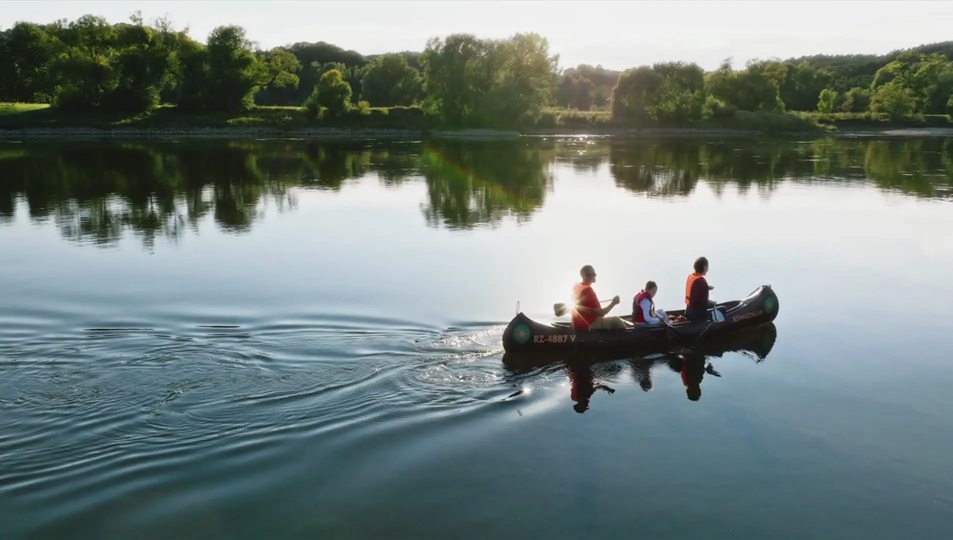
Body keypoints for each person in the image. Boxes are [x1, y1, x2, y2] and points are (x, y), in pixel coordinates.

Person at [572, 265, 626, 330]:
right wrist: (613, 303)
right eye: (593, 274)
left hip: (578, 326)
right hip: (590, 325)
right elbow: (602, 313)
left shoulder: (577, 288)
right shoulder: (588, 291)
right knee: (617, 321)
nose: (595, 275)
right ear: (587, 276)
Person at [684, 256, 717, 321]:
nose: (707, 270)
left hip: (688, 311)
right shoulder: (702, 282)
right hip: (697, 315)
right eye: (707, 267)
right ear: (704, 267)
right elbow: (704, 303)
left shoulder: (691, 276)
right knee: (723, 309)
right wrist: (713, 303)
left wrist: (706, 288)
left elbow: (694, 289)